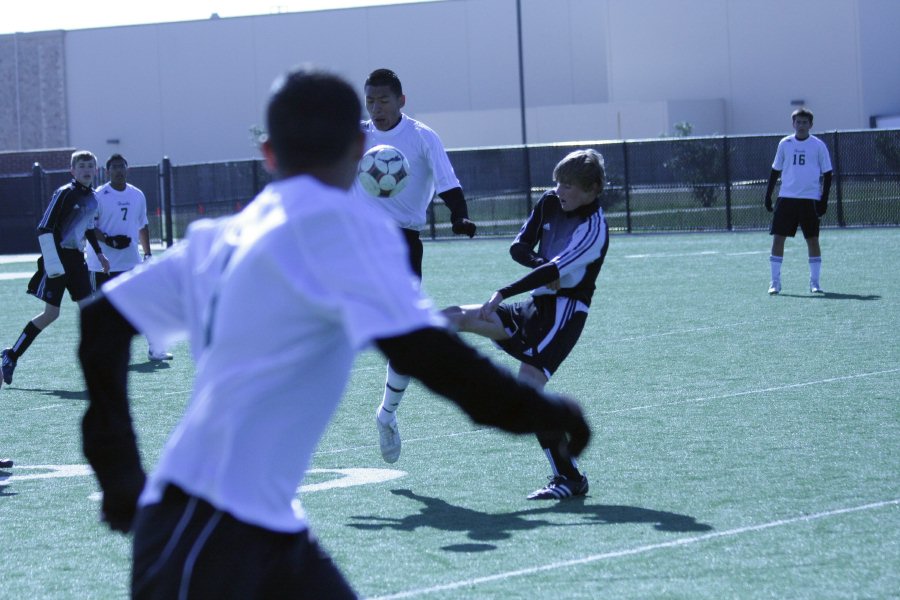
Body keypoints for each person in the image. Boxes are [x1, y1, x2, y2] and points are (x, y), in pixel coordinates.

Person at [78, 66, 590, 598]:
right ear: (359, 147)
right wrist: (544, 412)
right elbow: (432, 356)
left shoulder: (221, 236)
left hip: (252, 526)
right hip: (207, 532)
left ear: (269, 154)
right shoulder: (346, 231)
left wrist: (118, 474)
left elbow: (100, 323)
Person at [441, 149, 609, 500]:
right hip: (535, 306)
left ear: (592, 190)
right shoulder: (550, 202)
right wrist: (538, 264)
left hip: (563, 315)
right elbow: (519, 248)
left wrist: (503, 292)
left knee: (528, 393)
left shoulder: (594, 228)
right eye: (558, 182)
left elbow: (553, 272)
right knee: (453, 318)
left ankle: (569, 477)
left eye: (570, 186)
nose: (560, 191)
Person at [359, 68, 478, 464]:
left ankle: (386, 414)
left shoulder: (423, 137)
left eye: (384, 100)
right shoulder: (356, 137)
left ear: (401, 101)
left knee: (405, 340)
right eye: (370, 100)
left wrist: (458, 217)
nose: (376, 108)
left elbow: (449, 185)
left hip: (402, 244)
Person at [1, 151, 109, 391]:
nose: (87, 169)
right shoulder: (64, 193)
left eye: (90, 165)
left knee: (90, 312)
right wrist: (52, 263)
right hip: (58, 261)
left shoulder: (93, 197)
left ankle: (98, 369)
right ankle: (11, 355)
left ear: (96, 169)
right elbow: (44, 227)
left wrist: (99, 253)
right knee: (51, 314)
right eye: (81, 165)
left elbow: (89, 228)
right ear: (72, 170)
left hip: (77, 262)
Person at [87, 153, 173, 362]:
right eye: (114, 167)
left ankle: (155, 348)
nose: (118, 170)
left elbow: (142, 225)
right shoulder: (99, 195)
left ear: (127, 169)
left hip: (130, 261)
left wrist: (148, 253)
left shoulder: (137, 195)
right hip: (101, 264)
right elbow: (89, 228)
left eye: (121, 166)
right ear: (107, 172)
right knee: (103, 310)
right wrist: (110, 240)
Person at [764, 107, 833, 295]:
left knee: (812, 239)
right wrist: (768, 195)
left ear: (811, 124)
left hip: (809, 199)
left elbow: (828, 174)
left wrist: (823, 200)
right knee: (778, 239)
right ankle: (775, 282)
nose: (801, 125)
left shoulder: (818, 145)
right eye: (798, 122)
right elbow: (775, 171)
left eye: (805, 122)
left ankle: (815, 282)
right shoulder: (785, 143)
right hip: (786, 198)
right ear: (793, 124)